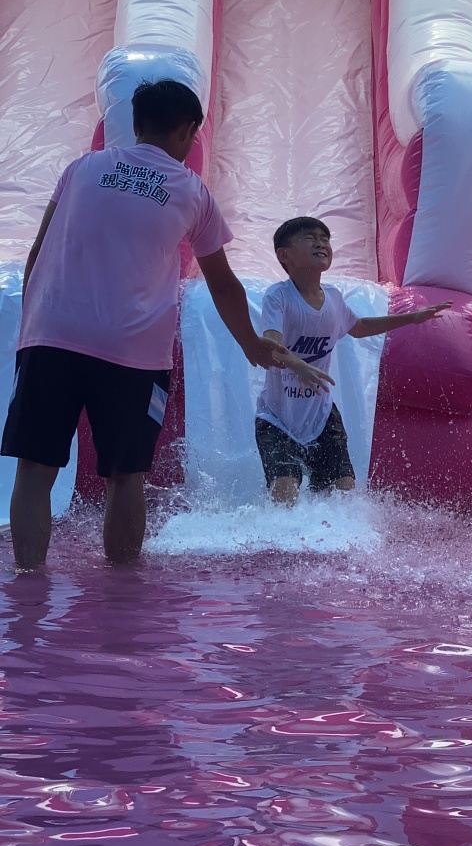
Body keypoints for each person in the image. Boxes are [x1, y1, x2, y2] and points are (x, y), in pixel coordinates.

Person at [1, 82, 326, 570]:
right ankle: (124, 600)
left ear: (136, 125)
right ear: (190, 131)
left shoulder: (81, 169)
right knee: (126, 477)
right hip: (131, 354)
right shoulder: (191, 191)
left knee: (34, 470)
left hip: (52, 338)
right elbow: (223, 284)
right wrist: (252, 346)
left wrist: (32, 331)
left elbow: (38, 251)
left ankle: (25, 587)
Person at [255, 216, 452, 506]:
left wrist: (411, 317)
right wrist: (297, 364)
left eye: (325, 238)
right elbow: (270, 345)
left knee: (342, 489)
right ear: (284, 254)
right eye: (310, 238)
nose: (321, 242)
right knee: (286, 488)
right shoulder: (279, 297)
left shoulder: (333, 298)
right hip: (277, 417)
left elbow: (358, 328)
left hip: (321, 414)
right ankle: (279, 546)